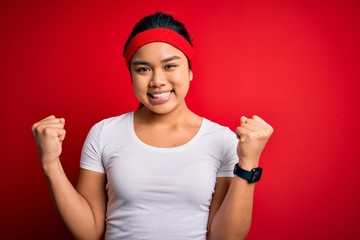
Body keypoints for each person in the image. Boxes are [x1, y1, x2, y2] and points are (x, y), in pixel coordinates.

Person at [32, 12, 274, 240]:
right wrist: (50, 162)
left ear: (190, 71)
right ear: (131, 75)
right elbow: (89, 232)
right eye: (143, 69)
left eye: (170, 65)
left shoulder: (222, 140)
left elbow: (225, 237)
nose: (157, 81)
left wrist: (248, 163)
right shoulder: (104, 133)